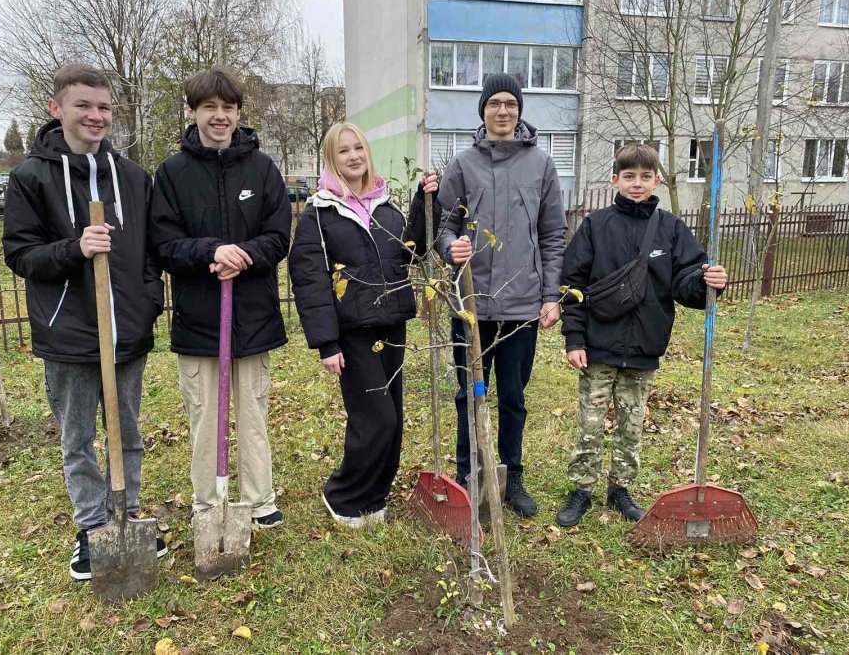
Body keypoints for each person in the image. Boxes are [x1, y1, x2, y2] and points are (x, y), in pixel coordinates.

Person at [3, 63, 167, 581]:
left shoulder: (134, 177)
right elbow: (20, 253)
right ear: (56, 109)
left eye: (103, 107)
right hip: (69, 333)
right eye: (84, 106)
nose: (96, 116)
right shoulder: (31, 176)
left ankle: (128, 512)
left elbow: (148, 252)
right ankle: (91, 525)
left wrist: (147, 301)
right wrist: (75, 248)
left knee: (129, 431)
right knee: (78, 438)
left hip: (127, 331)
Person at [556, 143, 728, 527]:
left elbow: (686, 282)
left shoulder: (671, 229)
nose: (637, 184)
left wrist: (708, 281)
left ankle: (620, 489)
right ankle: (581, 490)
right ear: (615, 179)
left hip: (644, 346)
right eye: (629, 176)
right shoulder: (595, 226)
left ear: (656, 182)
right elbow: (573, 286)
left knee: (632, 426)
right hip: (598, 346)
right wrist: (574, 339)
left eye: (646, 177)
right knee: (590, 423)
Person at [149, 66, 291, 529]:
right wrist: (211, 250)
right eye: (209, 107)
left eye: (227, 108)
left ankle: (258, 498)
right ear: (192, 112)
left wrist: (243, 255)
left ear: (237, 113)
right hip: (199, 318)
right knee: (204, 414)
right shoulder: (172, 173)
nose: (219, 116)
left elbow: (278, 237)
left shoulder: (263, 168)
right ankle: (208, 503)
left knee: (252, 410)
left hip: (252, 316)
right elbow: (164, 244)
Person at [432, 72, 568, 518]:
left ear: (520, 111)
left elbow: (552, 236)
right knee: (469, 394)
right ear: (483, 111)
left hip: (522, 305)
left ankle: (513, 476)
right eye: (495, 104)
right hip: (470, 306)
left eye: (511, 103)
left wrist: (550, 295)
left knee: (513, 395)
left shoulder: (541, 165)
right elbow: (443, 225)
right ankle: (468, 476)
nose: (503, 111)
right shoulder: (463, 164)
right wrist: (450, 247)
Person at [288, 122, 424, 527]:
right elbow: (310, 279)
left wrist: (424, 203)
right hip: (353, 333)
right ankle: (344, 496)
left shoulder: (386, 206)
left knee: (394, 417)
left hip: (392, 325)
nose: (353, 157)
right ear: (332, 158)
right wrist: (327, 343)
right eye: (343, 151)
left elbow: (409, 254)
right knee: (374, 418)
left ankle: (374, 495)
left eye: (358, 149)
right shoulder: (320, 212)